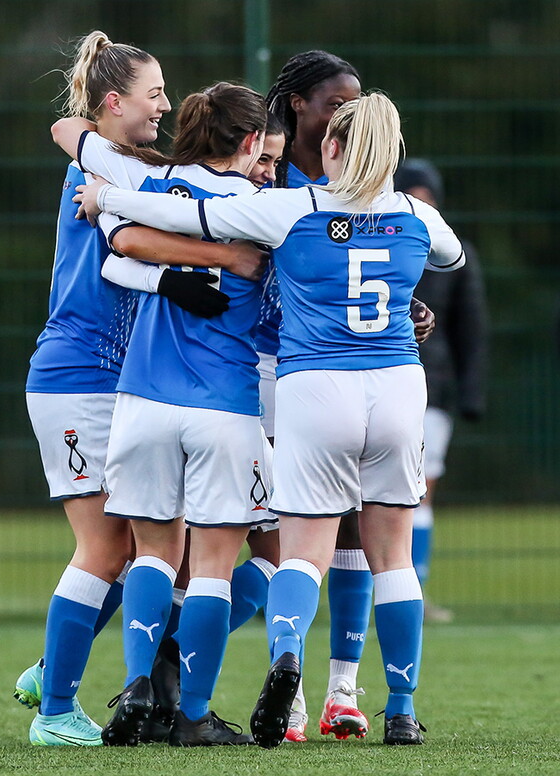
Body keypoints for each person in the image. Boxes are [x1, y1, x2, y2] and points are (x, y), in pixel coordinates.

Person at [77, 91, 464, 748]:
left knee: (303, 555)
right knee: (391, 557)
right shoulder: (417, 215)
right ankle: (400, 709)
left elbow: (193, 218)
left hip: (316, 390)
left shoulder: (294, 206)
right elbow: (450, 259)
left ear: (332, 149)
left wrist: (107, 201)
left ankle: (287, 657)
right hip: (398, 387)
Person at [19, 31, 263, 747]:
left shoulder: (125, 164)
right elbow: (128, 239)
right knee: (107, 551)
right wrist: (221, 260)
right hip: (81, 373)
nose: (163, 104)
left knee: (162, 553)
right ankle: (55, 704)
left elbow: (75, 134)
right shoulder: (108, 171)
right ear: (114, 102)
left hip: (118, 380)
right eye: (153, 94)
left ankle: (91, 678)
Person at [259, 51, 435, 743]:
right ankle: (300, 694)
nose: (349, 114)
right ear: (299, 106)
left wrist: (408, 306)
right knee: (273, 540)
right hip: (269, 365)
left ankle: (337, 690)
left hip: (319, 377)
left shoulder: (354, 179)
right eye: (336, 102)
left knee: (346, 535)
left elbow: (387, 265)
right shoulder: (269, 173)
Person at [395, 159, 488, 623]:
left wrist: (470, 394)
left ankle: (414, 588)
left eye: (428, 197)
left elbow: (472, 330)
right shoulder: (380, 241)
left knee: (418, 491)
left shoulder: (456, 255)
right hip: (375, 381)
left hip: (434, 388)